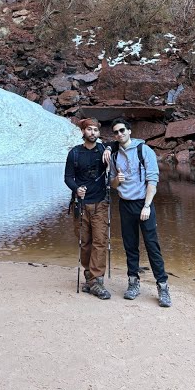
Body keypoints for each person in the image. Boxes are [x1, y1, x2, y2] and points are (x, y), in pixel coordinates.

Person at [108, 118, 171, 307]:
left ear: (129, 131)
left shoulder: (144, 150)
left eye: (122, 130)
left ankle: (162, 286)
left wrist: (147, 205)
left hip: (144, 204)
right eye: (116, 132)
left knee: (152, 246)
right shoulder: (114, 155)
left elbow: (153, 180)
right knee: (130, 246)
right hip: (125, 204)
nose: (119, 134)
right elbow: (112, 184)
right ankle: (133, 283)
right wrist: (117, 180)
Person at [64, 118, 112, 299]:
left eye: (96, 130)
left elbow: (117, 143)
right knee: (85, 242)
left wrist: (108, 148)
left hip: (100, 203)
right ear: (83, 132)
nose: (93, 133)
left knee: (100, 241)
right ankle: (89, 275)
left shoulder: (103, 150)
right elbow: (68, 177)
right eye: (89, 130)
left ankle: (96, 280)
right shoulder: (74, 153)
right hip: (81, 204)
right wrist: (76, 189)